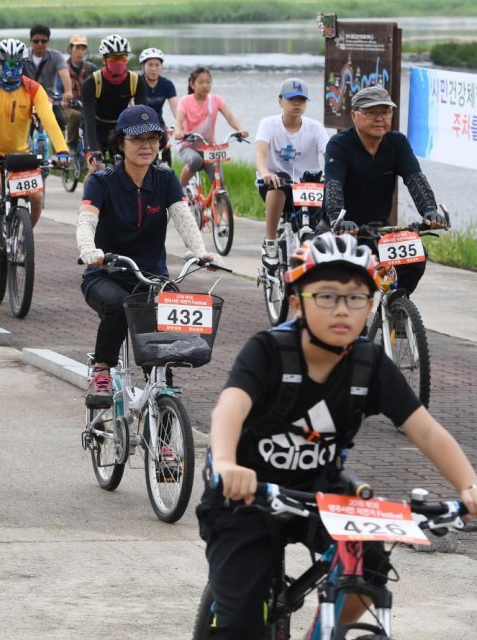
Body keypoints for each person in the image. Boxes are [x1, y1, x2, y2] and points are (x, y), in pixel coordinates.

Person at [197, 232, 477, 640]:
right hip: (247, 494)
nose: (341, 309)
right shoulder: (267, 350)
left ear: (369, 305)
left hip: (319, 490)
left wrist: (469, 486)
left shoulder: (369, 363)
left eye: (356, 297)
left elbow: (427, 432)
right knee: (241, 625)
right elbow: (230, 408)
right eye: (325, 296)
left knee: (371, 562)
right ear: (297, 302)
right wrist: (225, 464)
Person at [75, 104, 215, 408]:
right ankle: (101, 371)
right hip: (106, 275)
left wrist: (202, 252)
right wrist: (90, 252)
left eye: (153, 138)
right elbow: (86, 221)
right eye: (138, 139)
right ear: (121, 142)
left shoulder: (164, 179)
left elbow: (183, 217)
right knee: (117, 306)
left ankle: (165, 420)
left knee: (161, 353)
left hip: (150, 279)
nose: (146, 145)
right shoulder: (101, 182)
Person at [323, 85, 448, 296]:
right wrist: (338, 218)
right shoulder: (339, 144)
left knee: (415, 258)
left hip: (378, 230)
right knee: (344, 293)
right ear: (354, 115)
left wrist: (429, 210)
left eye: (385, 112)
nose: (379, 118)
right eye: (371, 112)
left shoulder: (397, 142)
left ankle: (396, 308)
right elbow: (333, 184)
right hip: (340, 229)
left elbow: (415, 178)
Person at [0, 39, 69, 265]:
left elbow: (49, 121)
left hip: (21, 153)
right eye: (6, 64)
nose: (11, 69)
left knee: (37, 196)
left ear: (23, 65)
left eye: (17, 64)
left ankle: (23, 234)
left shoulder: (33, 88)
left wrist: (62, 150)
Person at [255, 77, 331, 267]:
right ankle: (270, 242)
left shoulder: (315, 128)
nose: (297, 103)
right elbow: (260, 152)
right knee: (279, 182)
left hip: (308, 189)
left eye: (302, 100)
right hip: (277, 186)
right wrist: (265, 173)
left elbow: (331, 156)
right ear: (280, 101)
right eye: (291, 99)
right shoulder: (268, 124)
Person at [174, 66, 249, 190]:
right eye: (201, 82)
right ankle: (180, 188)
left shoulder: (216, 100)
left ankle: (218, 205)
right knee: (195, 161)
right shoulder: (185, 101)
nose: (205, 85)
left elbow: (230, 117)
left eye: (208, 82)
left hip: (209, 147)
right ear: (192, 84)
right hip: (188, 146)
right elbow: (179, 121)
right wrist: (178, 132)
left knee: (220, 183)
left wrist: (241, 129)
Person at [81, 34, 142, 171]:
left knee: (131, 168)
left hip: (119, 128)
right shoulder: (92, 83)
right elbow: (89, 121)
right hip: (95, 128)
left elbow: (142, 117)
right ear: (104, 59)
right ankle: (90, 191)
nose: (119, 62)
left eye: (123, 57)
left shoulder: (136, 81)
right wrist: (95, 152)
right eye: (114, 58)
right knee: (97, 167)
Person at [22, 23, 73, 134]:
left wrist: (68, 91)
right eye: (36, 41)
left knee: (60, 120)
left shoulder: (56, 56)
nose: (40, 44)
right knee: (24, 125)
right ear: (31, 41)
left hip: (50, 97)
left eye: (43, 41)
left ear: (48, 41)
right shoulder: (23, 56)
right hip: (28, 97)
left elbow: (64, 74)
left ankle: (61, 150)